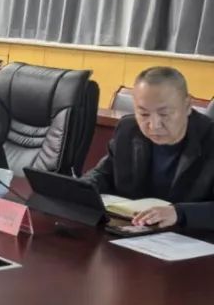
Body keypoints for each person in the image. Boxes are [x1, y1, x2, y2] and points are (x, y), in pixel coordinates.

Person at [84, 66, 214, 229]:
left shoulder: (209, 138)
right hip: (135, 231)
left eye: (164, 114)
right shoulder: (128, 130)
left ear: (187, 105)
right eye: (144, 114)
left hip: (192, 237)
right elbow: (104, 174)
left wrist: (179, 213)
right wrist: (81, 190)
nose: (154, 125)